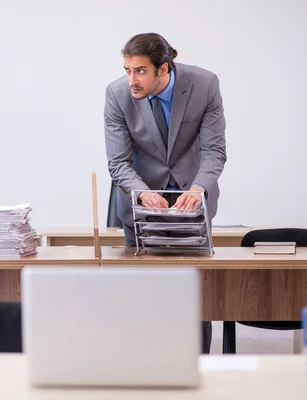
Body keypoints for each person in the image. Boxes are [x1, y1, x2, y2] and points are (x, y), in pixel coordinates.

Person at [103, 32, 227, 354]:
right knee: (142, 297)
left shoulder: (204, 84)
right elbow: (117, 163)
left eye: (140, 70)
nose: (131, 79)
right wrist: (144, 194)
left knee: (195, 300)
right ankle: (143, 366)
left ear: (163, 68)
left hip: (193, 205)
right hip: (141, 207)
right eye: (128, 69)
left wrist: (199, 188)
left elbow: (214, 151)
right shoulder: (117, 94)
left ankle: (200, 367)